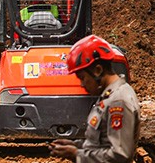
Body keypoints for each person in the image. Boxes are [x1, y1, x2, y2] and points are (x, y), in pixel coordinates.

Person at [49, 35, 140, 163]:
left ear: (97, 70)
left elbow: (120, 155)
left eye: (82, 78)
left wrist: (77, 155)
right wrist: (76, 145)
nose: (82, 84)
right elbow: (102, 143)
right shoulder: (109, 95)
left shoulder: (118, 101)